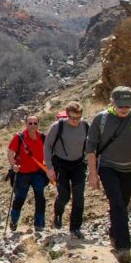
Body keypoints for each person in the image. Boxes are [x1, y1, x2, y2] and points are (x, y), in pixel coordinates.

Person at [86, 87, 131, 263]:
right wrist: (93, 173)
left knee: (122, 205)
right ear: (112, 102)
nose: (124, 108)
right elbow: (91, 148)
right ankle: (124, 248)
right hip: (108, 167)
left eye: (128, 105)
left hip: (130, 169)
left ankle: (114, 233)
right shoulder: (101, 120)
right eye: (120, 105)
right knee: (116, 203)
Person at [45, 101, 89, 238]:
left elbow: (91, 146)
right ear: (66, 115)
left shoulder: (86, 126)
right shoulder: (58, 127)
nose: (75, 121)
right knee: (64, 195)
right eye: (72, 118)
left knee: (79, 196)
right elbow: (47, 146)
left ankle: (75, 227)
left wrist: (93, 166)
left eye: (78, 117)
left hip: (78, 164)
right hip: (60, 164)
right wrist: (49, 168)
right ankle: (58, 212)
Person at [7, 115, 47, 232]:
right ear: (26, 124)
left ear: (38, 124)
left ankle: (39, 225)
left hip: (38, 173)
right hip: (22, 173)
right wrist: (13, 165)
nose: (33, 125)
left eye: (35, 123)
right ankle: (14, 220)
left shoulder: (43, 137)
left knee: (40, 197)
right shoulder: (19, 138)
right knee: (20, 198)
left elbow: (49, 151)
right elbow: (10, 153)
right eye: (30, 123)